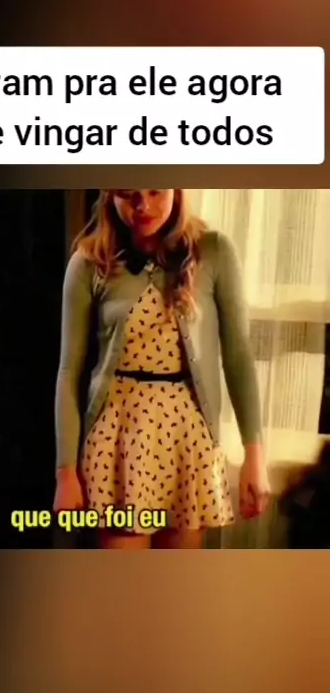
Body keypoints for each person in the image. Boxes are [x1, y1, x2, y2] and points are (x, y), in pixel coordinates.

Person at [54, 189, 270, 549]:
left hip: (189, 440)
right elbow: (69, 372)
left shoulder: (214, 251)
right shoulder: (89, 262)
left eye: (156, 191)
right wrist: (65, 473)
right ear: (110, 195)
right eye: (129, 195)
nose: (144, 206)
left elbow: (238, 357)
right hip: (117, 440)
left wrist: (255, 456)